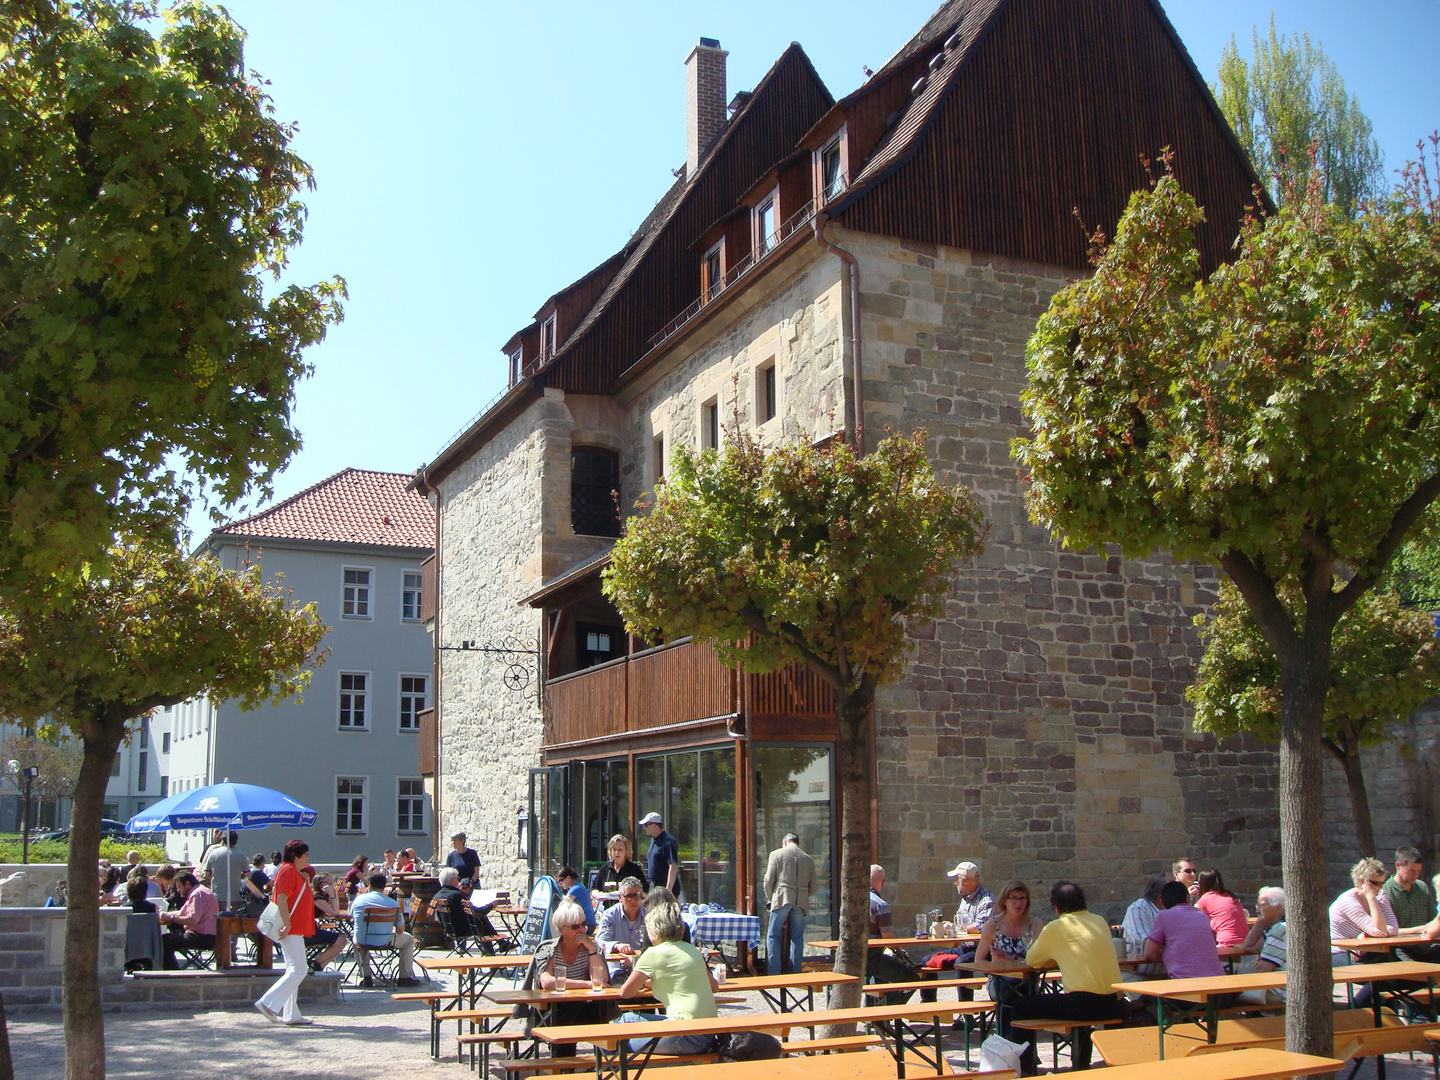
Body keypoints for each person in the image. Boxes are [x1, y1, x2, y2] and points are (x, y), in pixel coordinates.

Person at [1011, 881, 1125, 1072]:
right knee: (1077, 1007)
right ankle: (1081, 1064)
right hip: (1115, 1003)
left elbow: (1032, 960)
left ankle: (1026, 1069)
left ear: (1056, 907)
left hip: (1084, 1004)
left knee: (1019, 1006)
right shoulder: (1100, 921)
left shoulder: (1056, 927)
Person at [616, 894, 719, 1055]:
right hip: (708, 1034)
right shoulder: (693, 950)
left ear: (653, 929)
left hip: (683, 1035)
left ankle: (604, 1073)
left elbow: (626, 993)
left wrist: (643, 981)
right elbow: (714, 987)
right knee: (626, 1021)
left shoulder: (653, 953)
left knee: (614, 1035)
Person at [974, 880, 1044, 1048]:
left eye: (1022, 898)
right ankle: (1020, 1052)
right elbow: (979, 960)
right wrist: (997, 966)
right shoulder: (993, 925)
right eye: (1014, 898)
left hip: (1027, 981)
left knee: (1020, 994)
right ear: (1004, 901)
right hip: (999, 981)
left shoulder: (1035, 925)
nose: (1018, 903)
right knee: (1011, 996)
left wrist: (1011, 960)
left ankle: (1015, 1051)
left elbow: (1042, 960)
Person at [256, 839, 316, 1026]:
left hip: (292, 926)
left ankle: (291, 1013)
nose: (307, 858)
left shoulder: (289, 870)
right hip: (291, 926)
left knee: (294, 969)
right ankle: (268, 1003)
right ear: (296, 856)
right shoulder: (289, 871)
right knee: (299, 969)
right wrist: (288, 923)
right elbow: (282, 898)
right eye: (304, 854)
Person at [349, 871, 421, 987]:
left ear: (370, 885)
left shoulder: (358, 900)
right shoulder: (393, 903)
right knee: (408, 940)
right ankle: (405, 977)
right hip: (384, 940)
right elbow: (400, 930)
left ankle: (366, 976)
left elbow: (353, 918)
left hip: (363, 940)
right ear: (384, 887)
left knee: (356, 939)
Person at [1144, 880, 1225, 982]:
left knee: (1146, 997)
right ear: (1187, 898)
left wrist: (1170, 956)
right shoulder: (1202, 916)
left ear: (1162, 900)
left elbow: (1149, 953)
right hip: (1219, 985)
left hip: (1187, 988)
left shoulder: (1164, 916)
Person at [763, 833, 816, 976]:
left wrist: (771, 898)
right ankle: (795, 972)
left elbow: (768, 880)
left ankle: (774, 972)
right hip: (801, 901)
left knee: (773, 935)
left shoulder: (776, 854)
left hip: (782, 897)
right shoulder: (808, 859)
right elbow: (814, 886)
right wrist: (804, 895)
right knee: (797, 937)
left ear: (785, 843)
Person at [1384, 846, 1440, 961]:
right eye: (1412, 871)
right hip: (1401, 948)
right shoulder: (1386, 892)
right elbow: (1387, 931)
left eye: (1418, 871)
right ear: (1398, 866)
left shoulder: (1422, 887)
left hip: (1426, 946)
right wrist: (1419, 929)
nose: (1416, 875)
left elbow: (1433, 918)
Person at [1237, 887, 1287, 1006]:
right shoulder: (1275, 928)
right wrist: (1260, 921)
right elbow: (1248, 947)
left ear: (1277, 908)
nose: (1258, 910)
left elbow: (1263, 969)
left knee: (1224, 997)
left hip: (1281, 991)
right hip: (1280, 987)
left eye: (1262, 906)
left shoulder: (1281, 930)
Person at [159, 870, 219, 969]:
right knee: (165, 939)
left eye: (179, 887)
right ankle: (173, 971)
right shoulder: (197, 891)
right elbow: (181, 913)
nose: (178, 890)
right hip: (202, 934)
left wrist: (171, 918)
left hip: (203, 937)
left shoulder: (198, 894)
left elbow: (192, 920)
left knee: (164, 942)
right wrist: (164, 914)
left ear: (187, 884)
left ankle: (173, 974)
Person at [596, 877, 649, 982]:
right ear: (620, 897)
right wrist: (617, 946)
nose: (633, 900)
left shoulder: (649, 915)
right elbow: (599, 942)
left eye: (636, 895)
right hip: (616, 969)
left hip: (641, 969)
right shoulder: (610, 915)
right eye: (628, 896)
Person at [301, 868, 352, 972]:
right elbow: (335, 912)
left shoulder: (322, 896)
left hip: (312, 929)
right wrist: (332, 894)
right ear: (319, 884)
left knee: (342, 939)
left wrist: (334, 893)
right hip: (307, 932)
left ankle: (318, 967)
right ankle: (316, 963)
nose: (330, 884)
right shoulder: (316, 897)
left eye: (331, 881)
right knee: (341, 940)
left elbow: (335, 910)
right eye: (327, 882)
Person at [1121, 873, 1169, 976]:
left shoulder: (1177, 910)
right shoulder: (1139, 908)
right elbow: (1146, 947)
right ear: (1160, 896)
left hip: (1168, 976)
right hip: (1137, 975)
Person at [1194, 870, 1249, 946]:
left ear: (1203, 884)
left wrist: (1187, 895)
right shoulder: (1230, 895)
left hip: (1227, 941)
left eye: (1199, 882)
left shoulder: (1205, 899)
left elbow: (1193, 919)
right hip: (1246, 940)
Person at [640, 813, 681, 899]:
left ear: (654, 826)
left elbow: (673, 867)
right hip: (654, 886)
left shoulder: (668, 842)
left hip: (665, 886)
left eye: (646, 825)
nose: (644, 828)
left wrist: (668, 891)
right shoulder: (652, 841)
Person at [201, 830, 242, 906]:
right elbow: (248, 875)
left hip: (217, 895)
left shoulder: (213, 853)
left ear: (222, 840)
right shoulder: (241, 855)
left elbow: (206, 874)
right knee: (233, 917)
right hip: (235, 896)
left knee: (217, 916)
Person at [557, 866, 597, 930]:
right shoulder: (577, 886)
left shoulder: (576, 888)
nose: (560, 884)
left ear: (568, 878)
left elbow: (563, 906)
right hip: (588, 924)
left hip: (587, 926)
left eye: (561, 881)